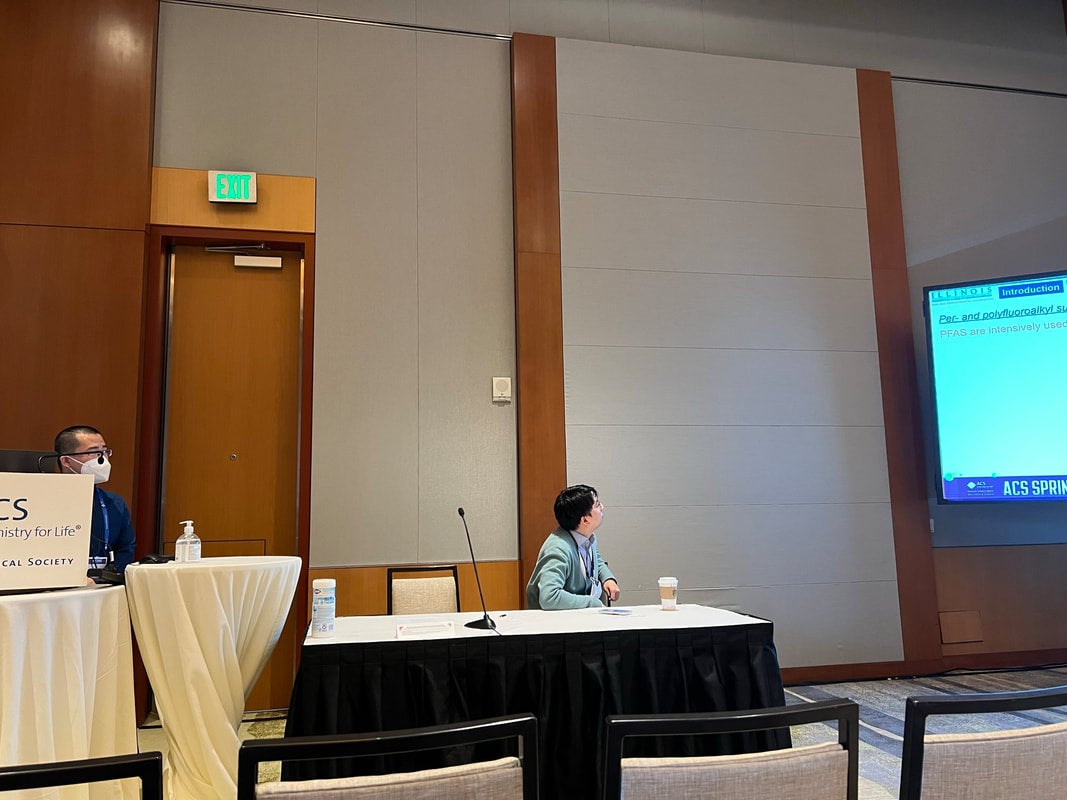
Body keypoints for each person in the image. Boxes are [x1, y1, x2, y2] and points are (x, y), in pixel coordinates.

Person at [54, 425, 136, 576]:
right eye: (93, 452)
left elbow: (126, 549)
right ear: (66, 461)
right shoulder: (46, 501)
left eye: (105, 451)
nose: (102, 458)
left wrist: (105, 578)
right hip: (58, 582)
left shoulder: (115, 503)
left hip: (106, 583)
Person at [526, 484, 620, 609]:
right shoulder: (558, 549)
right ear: (585, 520)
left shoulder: (587, 535)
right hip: (558, 619)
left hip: (580, 613)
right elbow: (549, 597)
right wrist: (592, 603)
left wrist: (608, 578)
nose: (602, 507)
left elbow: (596, 560)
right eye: (597, 505)